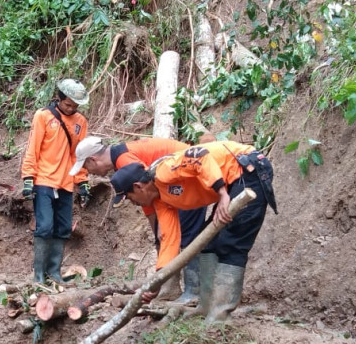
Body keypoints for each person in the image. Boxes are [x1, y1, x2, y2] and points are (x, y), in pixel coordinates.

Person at [110, 141, 277, 322]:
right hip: (231, 183)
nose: (133, 203)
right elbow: (169, 242)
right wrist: (156, 284)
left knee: (231, 243)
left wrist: (222, 194)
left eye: (130, 197)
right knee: (207, 243)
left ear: (138, 186)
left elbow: (200, 155)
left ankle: (220, 316)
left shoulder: (164, 171)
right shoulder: (161, 201)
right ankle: (205, 308)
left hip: (246, 169)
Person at [69, 136, 206, 304]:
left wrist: (158, 228)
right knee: (168, 237)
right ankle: (171, 287)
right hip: (174, 185)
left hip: (187, 179)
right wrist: (156, 230)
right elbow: (148, 200)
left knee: (186, 235)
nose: (88, 172)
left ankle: (193, 291)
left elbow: (146, 197)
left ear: (93, 159)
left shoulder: (124, 161)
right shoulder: (121, 158)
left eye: (85, 167)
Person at [21, 79, 91, 285]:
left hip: (66, 183)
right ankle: (39, 275)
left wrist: (82, 181)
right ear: (58, 98)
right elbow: (33, 148)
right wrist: (28, 178)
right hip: (44, 180)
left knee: (62, 228)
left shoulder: (80, 122)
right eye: (68, 104)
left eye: (75, 106)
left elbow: (79, 155)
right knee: (44, 227)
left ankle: (55, 273)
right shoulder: (43, 116)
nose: (71, 109)